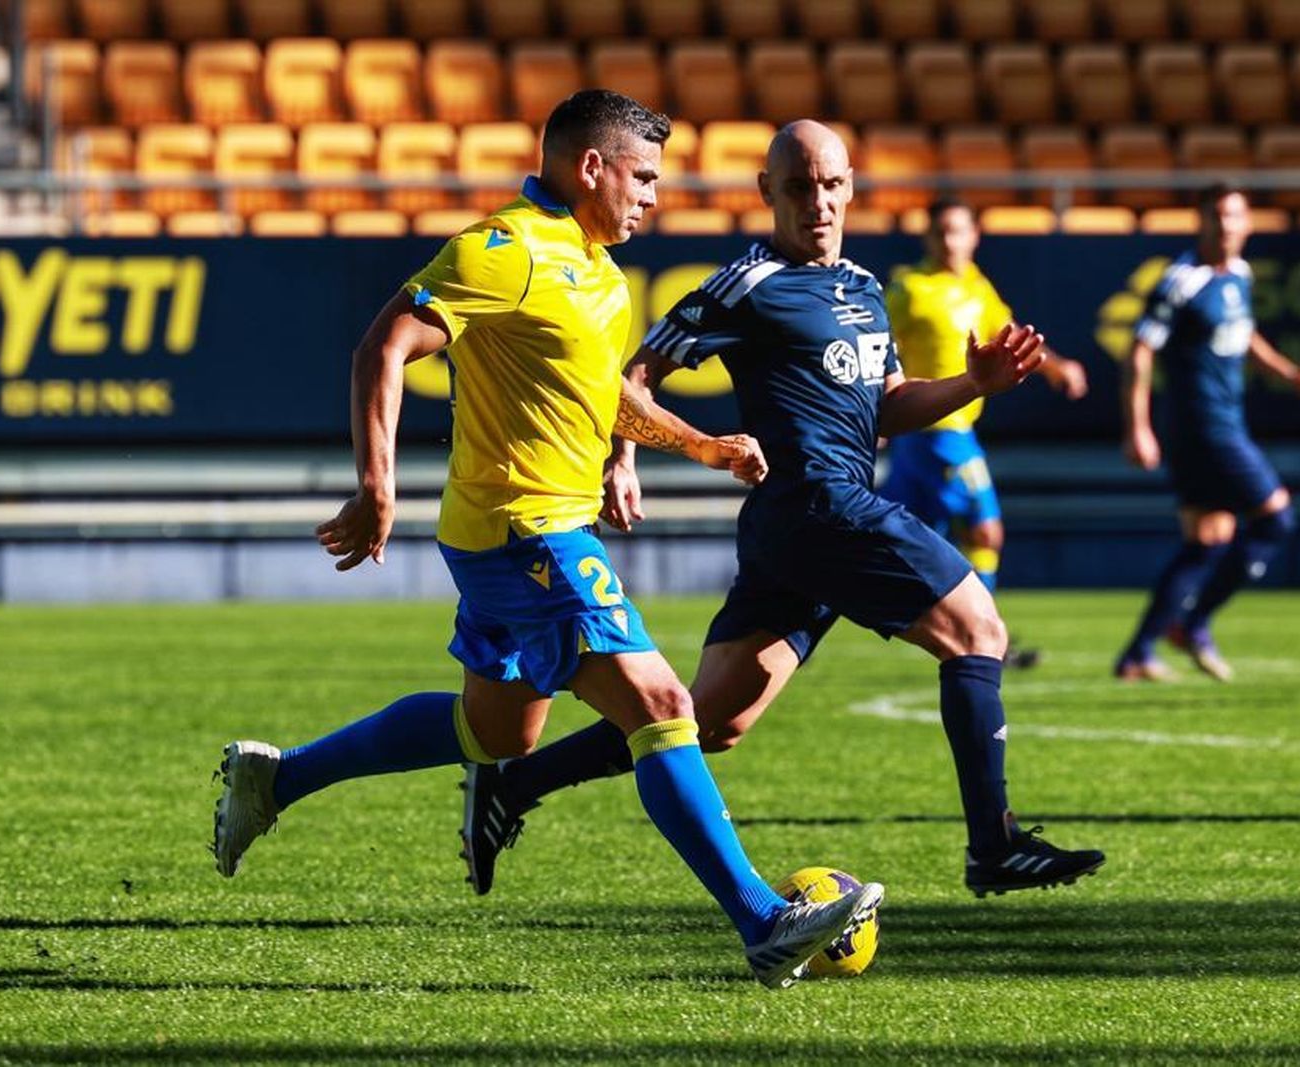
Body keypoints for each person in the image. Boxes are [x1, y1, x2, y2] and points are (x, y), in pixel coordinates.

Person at [209, 90, 881, 991]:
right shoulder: (509, 248)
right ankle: (762, 919)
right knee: (660, 702)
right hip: (527, 529)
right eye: (641, 176)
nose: (652, 195)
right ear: (590, 167)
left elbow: (608, 397)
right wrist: (377, 485)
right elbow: (383, 345)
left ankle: (277, 779)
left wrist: (701, 445)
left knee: (491, 733)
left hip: (521, 533)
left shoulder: (598, 272)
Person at [462, 120, 1106, 903]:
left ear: (852, 190)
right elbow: (636, 373)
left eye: (832, 185)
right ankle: (995, 844)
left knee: (712, 720)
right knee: (978, 629)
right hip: (818, 507)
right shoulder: (747, 282)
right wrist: (623, 457)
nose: (819, 202)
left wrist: (974, 385)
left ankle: (513, 786)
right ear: (768, 192)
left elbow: (887, 407)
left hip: (800, 528)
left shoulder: (865, 289)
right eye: (799, 187)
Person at [1114, 183, 1300, 682]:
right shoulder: (1180, 281)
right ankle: (1193, 625)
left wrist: (1290, 376)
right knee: (1276, 519)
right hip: (1201, 428)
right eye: (1217, 216)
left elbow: (1246, 335)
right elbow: (1140, 350)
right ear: (1201, 222)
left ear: (1248, 223)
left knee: (1208, 541)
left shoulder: (1239, 276)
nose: (1227, 226)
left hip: (1226, 421)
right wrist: (1138, 427)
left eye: (1235, 216)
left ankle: (1138, 654)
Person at [880, 198, 1090, 666]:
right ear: (927, 238)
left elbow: (1008, 334)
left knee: (890, 543)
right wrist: (875, 411)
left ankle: (802, 617)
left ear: (975, 236)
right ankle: (986, 636)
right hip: (937, 430)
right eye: (940, 232)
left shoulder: (978, 287)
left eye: (957, 231)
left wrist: (1055, 367)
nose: (949, 241)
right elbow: (876, 348)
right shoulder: (909, 288)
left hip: (949, 434)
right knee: (985, 531)